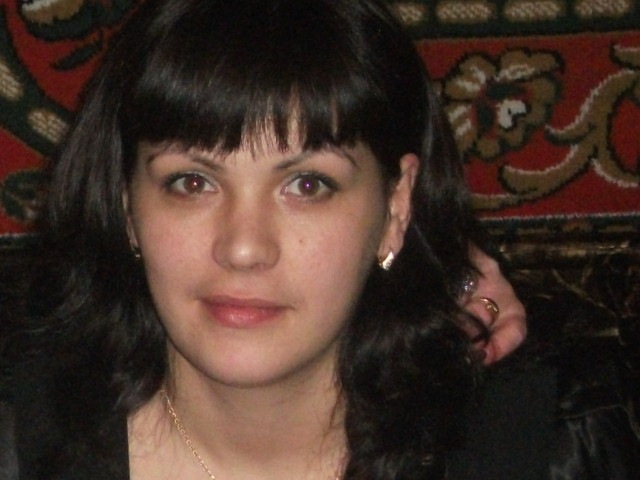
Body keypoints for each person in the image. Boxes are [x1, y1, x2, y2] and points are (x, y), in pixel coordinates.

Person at [0, 0, 596, 478]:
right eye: (192, 182)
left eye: (307, 185)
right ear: (127, 205)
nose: (243, 248)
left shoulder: (547, 443)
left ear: (395, 205)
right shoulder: (20, 439)